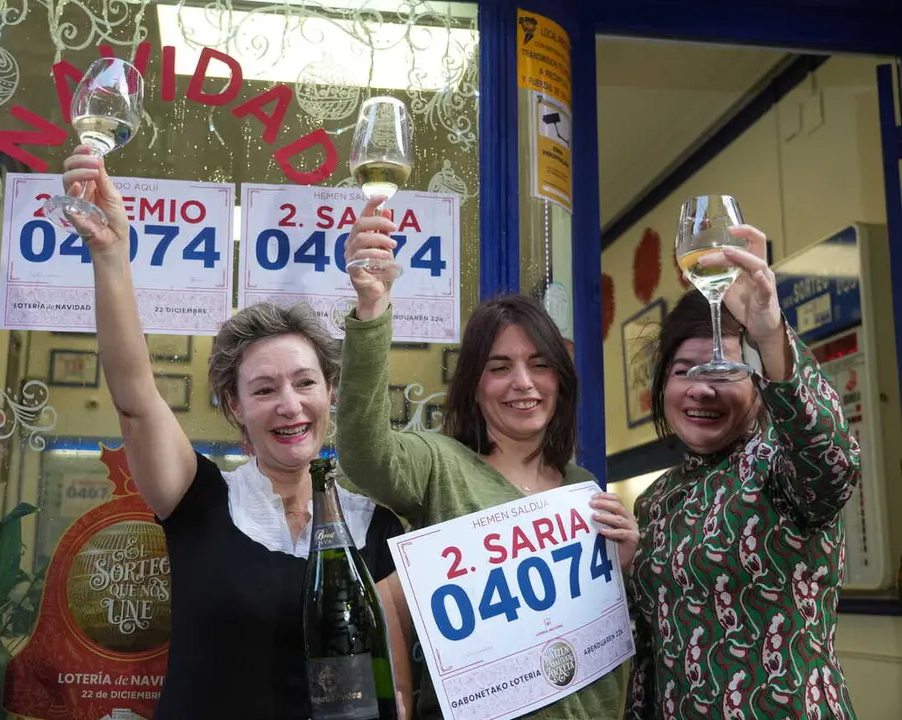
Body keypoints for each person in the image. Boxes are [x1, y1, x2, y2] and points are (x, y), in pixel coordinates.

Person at [60, 147, 414, 719]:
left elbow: (392, 699)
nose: (289, 404)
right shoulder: (200, 497)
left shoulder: (376, 529)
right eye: (264, 389)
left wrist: (375, 303)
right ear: (236, 407)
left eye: (305, 383)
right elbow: (133, 398)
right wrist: (110, 256)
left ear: (331, 394)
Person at [334, 195, 641, 719]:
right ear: (475, 386)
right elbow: (364, 452)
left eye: (538, 364)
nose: (523, 383)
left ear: (559, 382)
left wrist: (626, 561)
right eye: (499, 367)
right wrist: (371, 311)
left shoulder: (583, 486)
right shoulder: (440, 464)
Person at [624, 225, 860, 718]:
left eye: (724, 371)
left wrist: (769, 333)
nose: (701, 389)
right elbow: (652, 652)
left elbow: (834, 461)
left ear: (759, 384)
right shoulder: (656, 499)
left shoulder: (783, 464)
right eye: (684, 370)